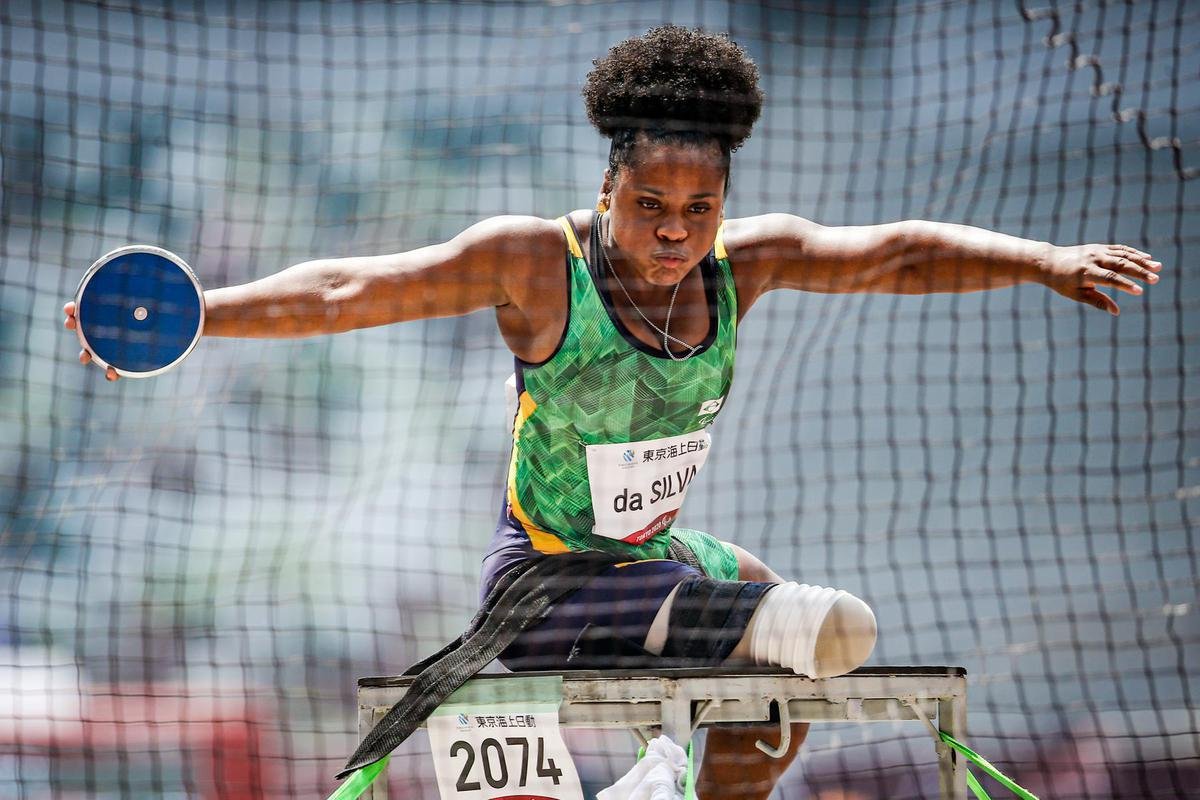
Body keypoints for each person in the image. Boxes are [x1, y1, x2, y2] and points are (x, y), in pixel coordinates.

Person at [63, 24, 1160, 799]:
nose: (676, 230)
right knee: (818, 626)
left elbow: (893, 253)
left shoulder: (747, 265)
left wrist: (1042, 258)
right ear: (605, 192)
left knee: (776, 692)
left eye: (699, 207)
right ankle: (656, 758)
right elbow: (356, 288)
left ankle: (672, 772)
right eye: (649, 206)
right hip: (547, 580)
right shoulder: (537, 266)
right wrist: (201, 311)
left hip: (661, 557)